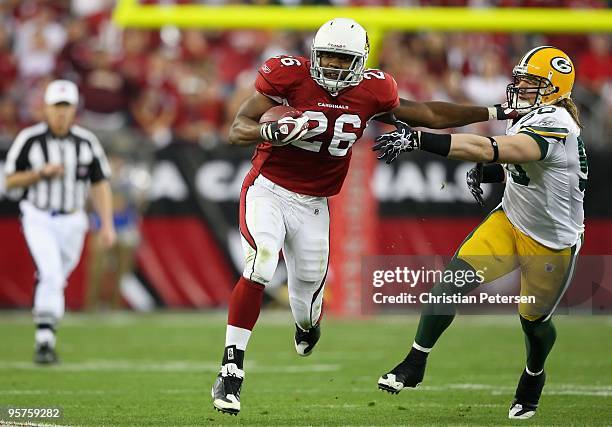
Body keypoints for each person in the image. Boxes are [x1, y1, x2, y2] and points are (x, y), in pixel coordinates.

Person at [211, 17, 515, 415]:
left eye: (343, 59)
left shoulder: (373, 89)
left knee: (306, 301)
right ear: (315, 54)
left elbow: (426, 113)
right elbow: (237, 128)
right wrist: (272, 131)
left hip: (315, 203)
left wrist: (495, 108)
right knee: (262, 262)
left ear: (361, 61)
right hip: (267, 190)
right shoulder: (289, 77)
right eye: (329, 57)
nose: (335, 66)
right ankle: (231, 369)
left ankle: (306, 325)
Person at [372, 46, 585, 420]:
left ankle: (534, 374)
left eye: (531, 82)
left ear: (554, 90)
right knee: (449, 283)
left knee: (533, 323)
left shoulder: (556, 122)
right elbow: (525, 167)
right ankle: (414, 362)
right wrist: (493, 173)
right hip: (511, 219)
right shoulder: (530, 115)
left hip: (551, 241)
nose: (519, 87)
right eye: (520, 79)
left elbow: (491, 147)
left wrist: (420, 139)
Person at [4, 79, 116, 364]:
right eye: (57, 107)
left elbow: (100, 183)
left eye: (66, 107)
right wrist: (40, 173)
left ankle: (45, 325)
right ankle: (44, 341)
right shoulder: (30, 139)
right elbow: (9, 180)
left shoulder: (86, 141)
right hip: (39, 215)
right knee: (52, 274)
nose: (61, 113)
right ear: (46, 108)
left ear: (74, 109)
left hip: (73, 219)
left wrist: (107, 223)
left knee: (55, 277)